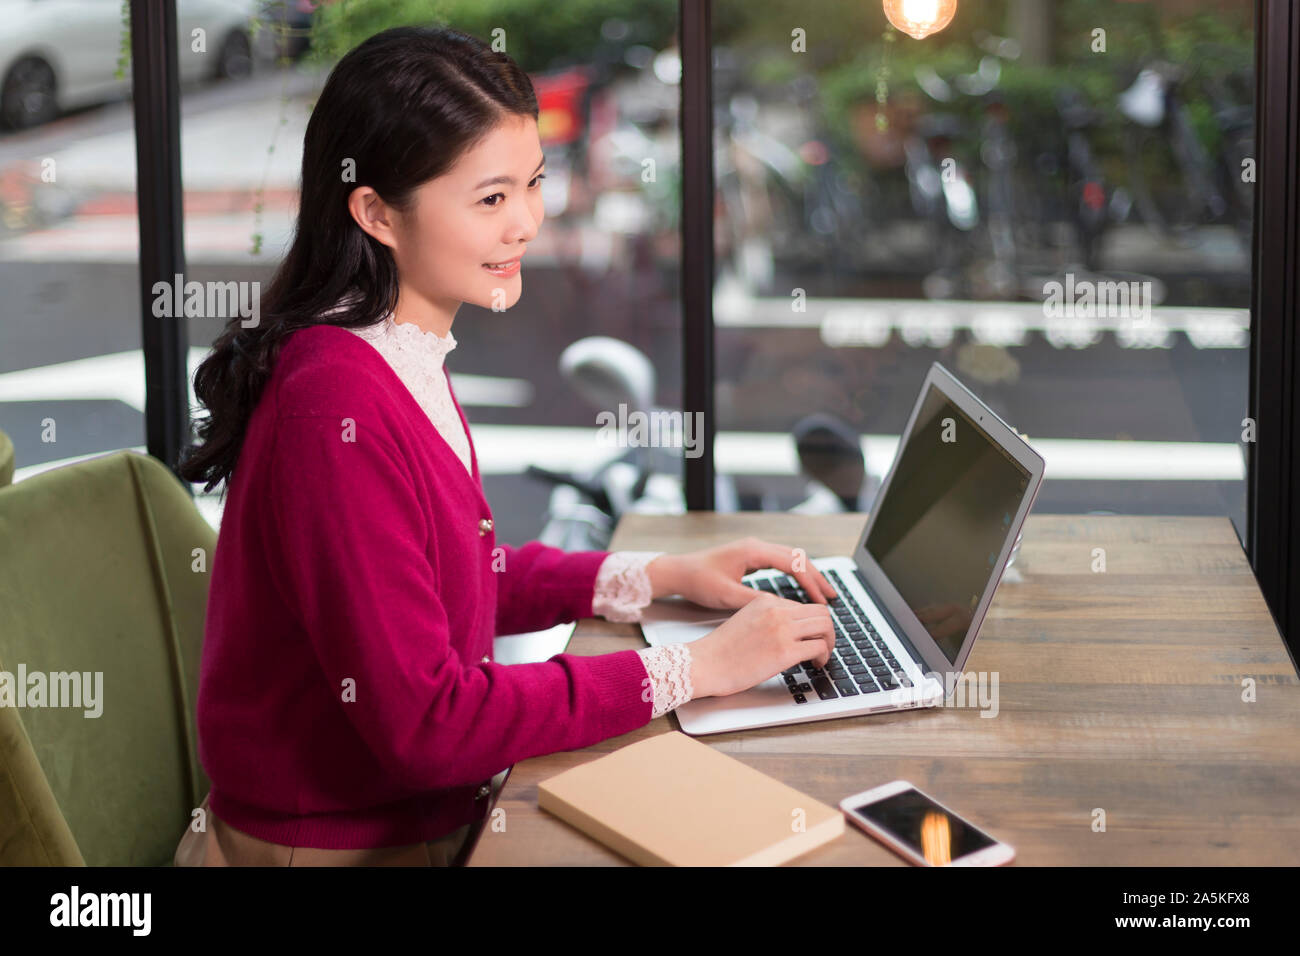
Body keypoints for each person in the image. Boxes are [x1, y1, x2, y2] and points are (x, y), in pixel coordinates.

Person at [173, 24, 835, 867]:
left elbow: (453, 576)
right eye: (491, 199)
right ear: (375, 212)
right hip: (338, 849)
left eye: (534, 183)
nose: (526, 222)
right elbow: (425, 727)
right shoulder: (332, 404)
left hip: (416, 821)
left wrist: (660, 578)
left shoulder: (392, 349)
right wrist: (691, 671)